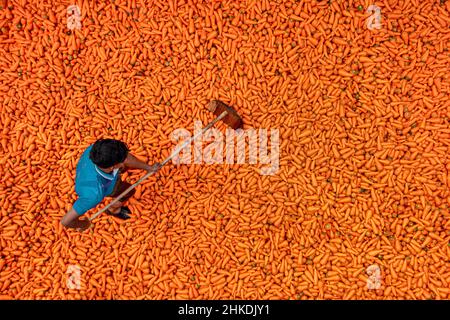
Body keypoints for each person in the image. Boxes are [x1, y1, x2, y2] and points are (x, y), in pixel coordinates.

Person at [61, 139, 161, 231]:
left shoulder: (97, 150)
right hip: (97, 186)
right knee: (129, 191)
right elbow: (65, 221)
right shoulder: (94, 194)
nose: (126, 158)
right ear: (112, 167)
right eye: (121, 161)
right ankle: (113, 209)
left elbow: (126, 158)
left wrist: (149, 168)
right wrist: (83, 224)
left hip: (87, 174)